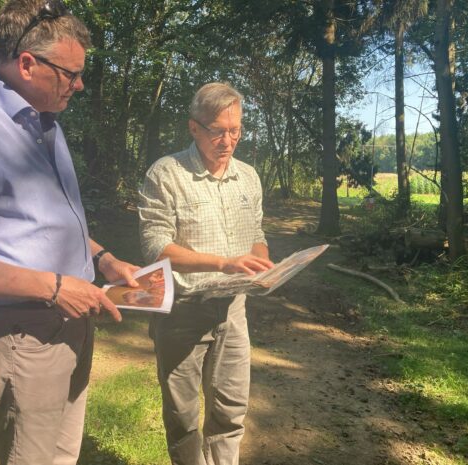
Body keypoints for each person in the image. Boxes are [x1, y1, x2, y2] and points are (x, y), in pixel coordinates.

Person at [0, 1, 140, 464]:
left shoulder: (45, 123)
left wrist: (104, 261)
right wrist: (56, 287)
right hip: (22, 333)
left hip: (71, 321)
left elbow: (51, 222)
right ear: (27, 64)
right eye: (71, 73)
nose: (79, 85)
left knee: (63, 454)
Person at [138, 82, 274, 465]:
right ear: (194, 128)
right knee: (182, 417)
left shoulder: (248, 177)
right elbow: (156, 248)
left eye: (236, 130)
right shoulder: (166, 174)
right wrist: (222, 262)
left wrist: (261, 261)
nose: (228, 140)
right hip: (182, 311)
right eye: (218, 131)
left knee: (231, 411)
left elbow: (257, 233)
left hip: (233, 312)